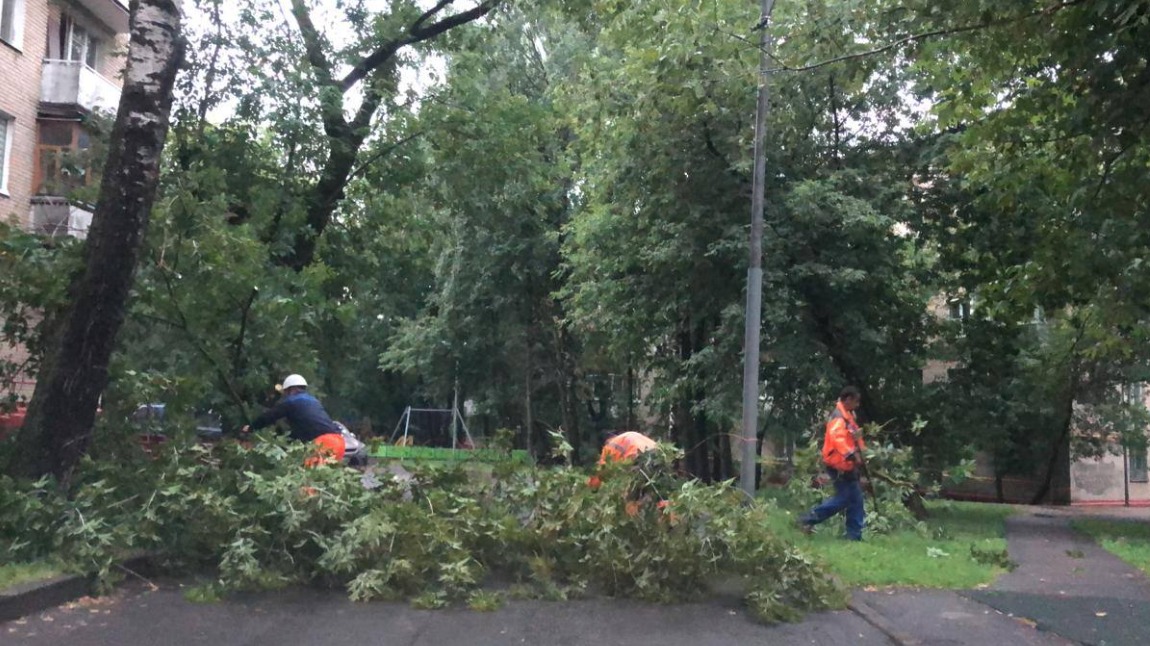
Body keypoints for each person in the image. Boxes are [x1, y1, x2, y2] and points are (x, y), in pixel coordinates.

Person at [799, 386, 867, 541]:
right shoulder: (838, 418)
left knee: (856, 499)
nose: (857, 405)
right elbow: (838, 439)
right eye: (856, 402)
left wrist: (862, 454)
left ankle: (854, 536)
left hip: (847, 465)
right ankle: (807, 519)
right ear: (848, 399)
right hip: (839, 465)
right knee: (844, 499)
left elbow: (854, 438)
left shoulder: (848, 416)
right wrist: (851, 455)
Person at [242, 374, 345, 467]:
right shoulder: (313, 401)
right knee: (326, 479)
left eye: (286, 392)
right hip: (339, 442)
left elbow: (269, 416)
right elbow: (303, 429)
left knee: (309, 482)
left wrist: (251, 427)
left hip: (324, 443)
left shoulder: (291, 402)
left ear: (291, 390)